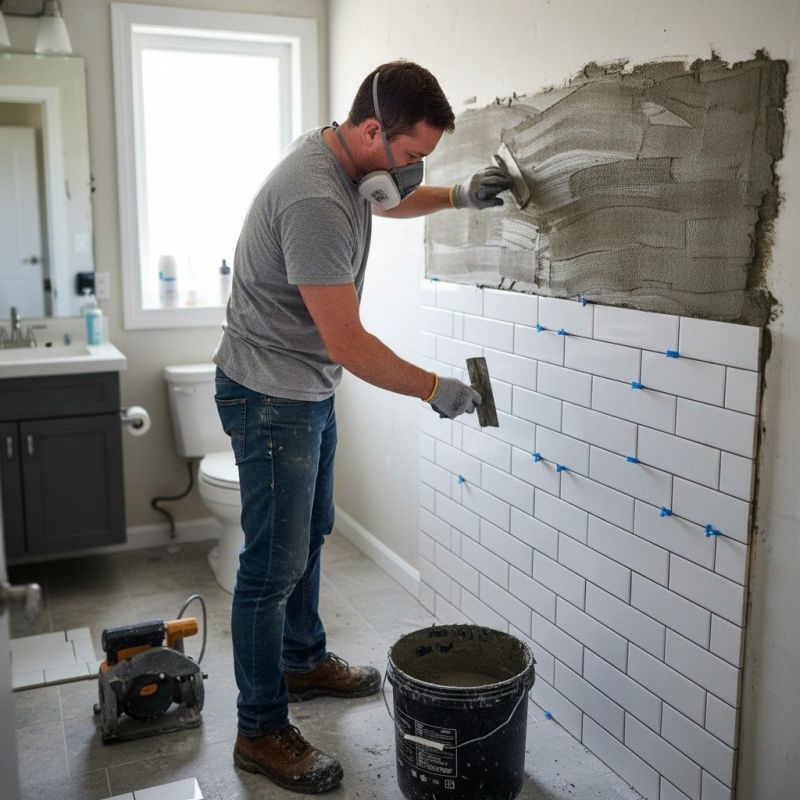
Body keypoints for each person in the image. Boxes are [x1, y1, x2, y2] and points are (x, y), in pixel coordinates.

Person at [212, 60, 511, 794]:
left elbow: (386, 198)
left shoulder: (347, 161)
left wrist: (459, 196)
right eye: (412, 155)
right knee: (269, 569)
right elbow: (348, 343)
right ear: (373, 129)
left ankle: (303, 658)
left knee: (311, 530)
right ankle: (260, 729)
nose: (414, 170)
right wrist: (434, 388)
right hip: (271, 397)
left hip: (302, 389)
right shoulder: (314, 197)